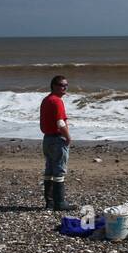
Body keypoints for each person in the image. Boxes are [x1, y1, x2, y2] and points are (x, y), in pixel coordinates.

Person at [40, 75, 77, 211]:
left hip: (47, 139)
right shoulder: (56, 101)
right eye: (62, 85)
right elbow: (60, 122)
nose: (65, 87)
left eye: (66, 85)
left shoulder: (46, 100)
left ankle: (49, 202)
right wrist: (68, 137)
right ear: (54, 86)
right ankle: (59, 203)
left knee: (49, 170)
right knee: (59, 171)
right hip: (56, 139)